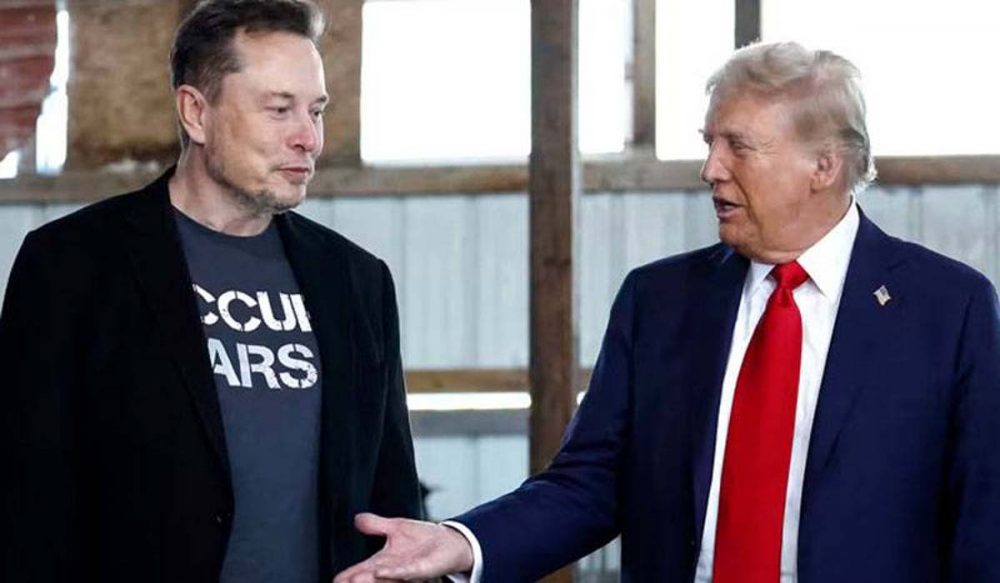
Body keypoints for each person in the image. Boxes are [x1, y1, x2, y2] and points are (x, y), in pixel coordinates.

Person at [333, 42, 1000, 583]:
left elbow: (983, 520)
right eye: (709, 142)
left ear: (823, 165)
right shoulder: (658, 302)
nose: (711, 168)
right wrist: (463, 541)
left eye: (738, 146)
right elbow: (591, 482)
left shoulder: (948, 309)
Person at [0, 1, 422, 581]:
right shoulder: (72, 266)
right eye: (279, 109)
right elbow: (25, 499)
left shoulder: (356, 281)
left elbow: (392, 501)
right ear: (195, 113)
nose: (309, 138)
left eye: (316, 111)